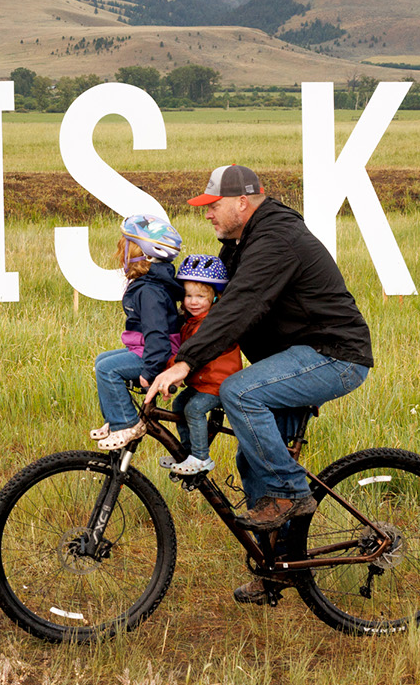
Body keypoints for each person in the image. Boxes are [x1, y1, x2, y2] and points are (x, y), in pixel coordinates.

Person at [142, 164, 373, 605]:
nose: (207, 214)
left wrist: (186, 363)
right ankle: (279, 567)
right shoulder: (240, 242)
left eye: (214, 206)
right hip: (291, 359)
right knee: (253, 462)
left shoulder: (274, 240)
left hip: (333, 355)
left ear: (242, 203)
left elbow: (239, 306)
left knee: (239, 392)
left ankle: (291, 493)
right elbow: (206, 294)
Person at [90, 214, 184, 451]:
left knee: (107, 368)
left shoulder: (149, 291)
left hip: (156, 353)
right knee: (102, 360)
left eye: (124, 250)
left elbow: (158, 336)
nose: (119, 257)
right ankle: (114, 420)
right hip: (146, 349)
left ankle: (127, 423)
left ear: (141, 255)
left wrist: (150, 369)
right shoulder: (147, 285)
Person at [161, 254, 242, 477]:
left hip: (219, 383)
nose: (193, 302)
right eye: (188, 296)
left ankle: (200, 457)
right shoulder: (191, 321)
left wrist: (169, 369)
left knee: (193, 409)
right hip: (202, 382)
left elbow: (193, 357)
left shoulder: (210, 326)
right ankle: (186, 453)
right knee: (179, 405)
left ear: (215, 297)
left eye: (200, 296)